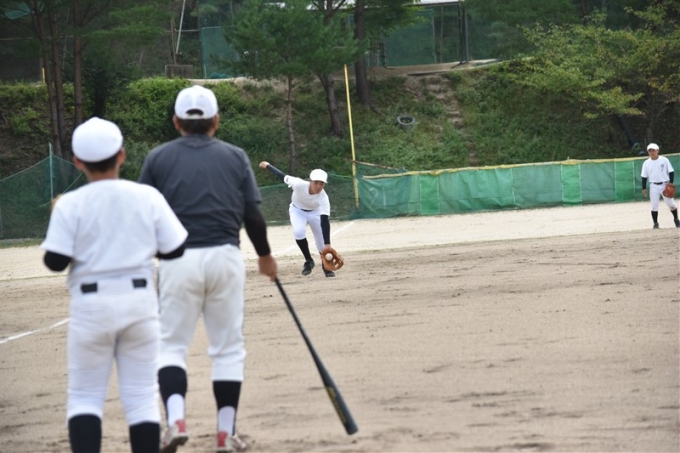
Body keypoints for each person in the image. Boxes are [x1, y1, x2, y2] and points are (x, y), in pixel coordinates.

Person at [138, 85, 277, 453]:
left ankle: (176, 421)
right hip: (225, 257)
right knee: (228, 349)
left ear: (176, 121)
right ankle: (225, 434)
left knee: (171, 346)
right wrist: (265, 256)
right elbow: (252, 215)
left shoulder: (157, 158)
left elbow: (143, 216)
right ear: (216, 120)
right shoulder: (235, 156)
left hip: (177, 260)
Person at [41, 117, 188, 453]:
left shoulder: (71, 203)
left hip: (90, 305)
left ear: (78, 161)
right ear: (121, 155)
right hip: (139, 302)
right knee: (141, 397)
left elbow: (55, 262)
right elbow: (175, 249)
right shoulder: (146, 195)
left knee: (84, 397)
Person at [258, 161, 336, 277]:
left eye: (322, 184)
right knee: (298, 232)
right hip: (297, 210)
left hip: (315, 212)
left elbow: (324, 220)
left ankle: (326, 265)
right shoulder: (298, 184)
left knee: (321, 245)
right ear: (310, 181)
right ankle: (308, 261)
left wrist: (327, 244)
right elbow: (282, 176)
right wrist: (268, 166)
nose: (318, 186)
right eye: (316, 183)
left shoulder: (323, 197)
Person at [641, 142, 679, 229]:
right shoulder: (646, 163)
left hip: (665, 184)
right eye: (650, 151)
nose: (651, 152)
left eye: (653, 150)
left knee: (671, 204)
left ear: (658, 151)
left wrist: (671, 182)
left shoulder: (664, 160)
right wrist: (644, 188)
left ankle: (676, 219)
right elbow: (644, 176)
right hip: (653, 185)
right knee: (654, 206)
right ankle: (655, 223)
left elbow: (671, 171)